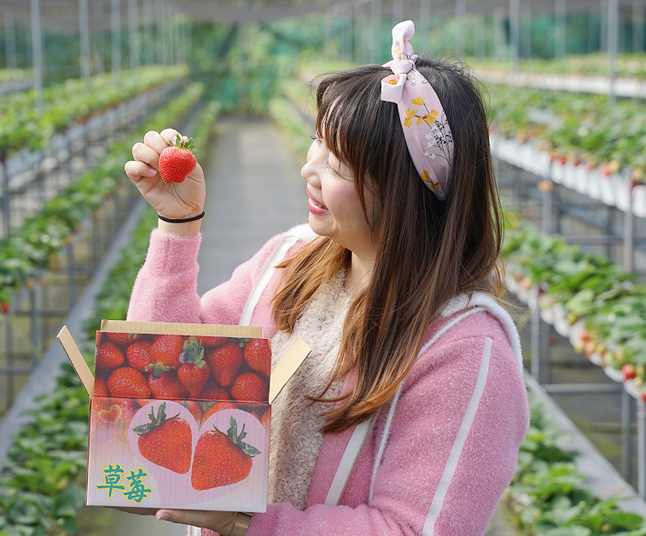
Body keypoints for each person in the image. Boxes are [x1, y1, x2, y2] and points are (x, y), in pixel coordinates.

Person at [121, 20, 529, 536]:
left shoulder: (465, 352)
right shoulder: (288, 262)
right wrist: (177, 226)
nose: (308, 169)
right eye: (318, 141)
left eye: (337, 164)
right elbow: (166, 370)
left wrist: (247, 523)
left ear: (402, 191)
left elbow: (413, 528)